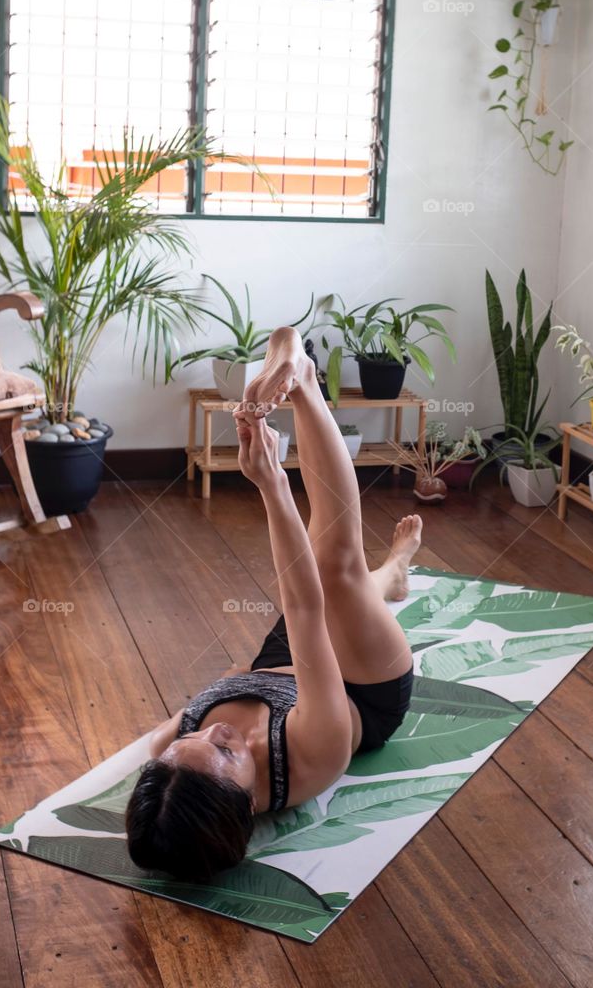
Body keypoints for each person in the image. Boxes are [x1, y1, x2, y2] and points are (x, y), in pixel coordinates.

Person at [126, 326, 422, 880]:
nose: (206, 729)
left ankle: (394, 575)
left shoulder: (170, 754)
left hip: (280, 664)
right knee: (333, 570)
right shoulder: (311, 755)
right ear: (247, 805)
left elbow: (240, 673)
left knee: (346, 594)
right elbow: (306, 607)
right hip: (364, 689)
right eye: (226, 749)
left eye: (190, 738)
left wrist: (218, 714)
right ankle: (305, 380)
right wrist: (269, 484)